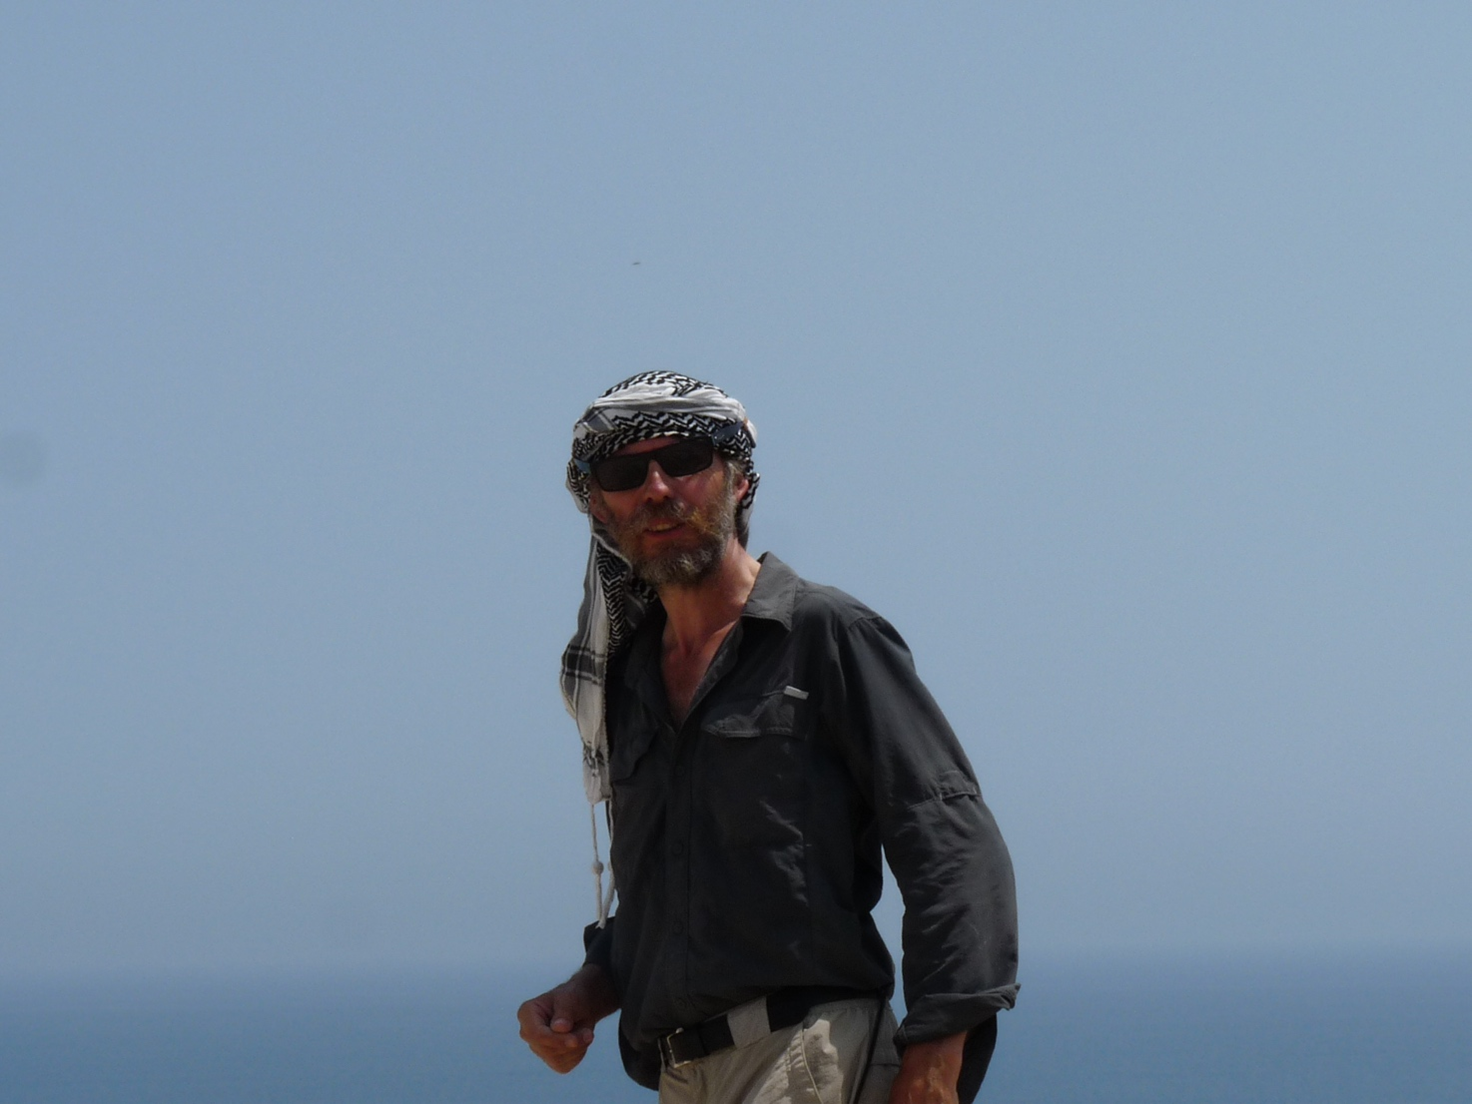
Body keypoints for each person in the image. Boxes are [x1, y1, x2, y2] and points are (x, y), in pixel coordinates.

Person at [518, 372, 1018, 1104]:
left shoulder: (823, 634)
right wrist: (587, 992)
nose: (657, 489)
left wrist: (939, 1058)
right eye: (625, 474)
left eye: (684, 461)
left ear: (739, 479)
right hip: (682, 1078)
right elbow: (673, 896)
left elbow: (951, 843)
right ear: (598, 504)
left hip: (807, 1059)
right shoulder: (628, 683)